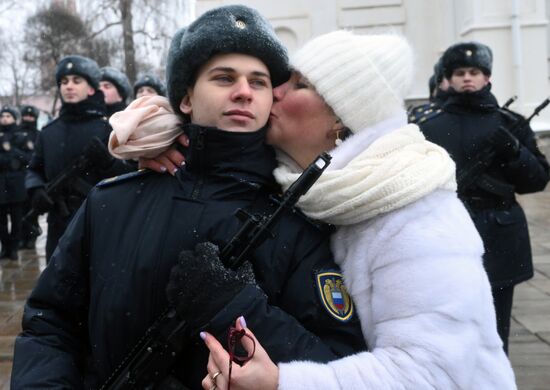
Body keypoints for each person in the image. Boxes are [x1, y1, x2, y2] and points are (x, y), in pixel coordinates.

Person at [11, 6, 365, 389]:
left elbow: (338, 365)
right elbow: (50, 322)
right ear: (185, 99)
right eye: (224, 77)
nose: (244, 92)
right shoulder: (109, 203)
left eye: (259, 82)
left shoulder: (300, 223)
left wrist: (240, 308)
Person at [175, 31, 515, 389]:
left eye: (299, 85)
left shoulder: (417, 217)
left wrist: (282, 383)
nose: (274, 91)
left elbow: (430, 375)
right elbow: (216, 144)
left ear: (340, 117)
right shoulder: (312, 184)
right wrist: (162, 138)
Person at [415, 42, 549, 353]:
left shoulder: (510, 123)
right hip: (447, 234)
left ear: (487, 78)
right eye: (459, 72)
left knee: (496, 325)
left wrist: (514, 152)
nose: (467, 78)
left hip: (499, 235)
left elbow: (537, 180)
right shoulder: (428, 125)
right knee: (450, 323)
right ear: (448, 77)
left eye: (474, 72)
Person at [25, 55, 131, 262]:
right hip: (58, 229)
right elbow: (34, 168)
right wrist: (36, 189)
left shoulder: (111, 129)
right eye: (64, 82)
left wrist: (109, 163)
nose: (69, 87)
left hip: (100, 226)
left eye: (76, 81)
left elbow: (133, 178)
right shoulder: (48, 132)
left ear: (92, 88)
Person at [0, 106, 33, 260]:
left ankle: (13, 248)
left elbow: (29, 158)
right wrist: (8, 160)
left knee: (16, 219)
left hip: (16, 184)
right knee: (1, 221)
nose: (4, 118)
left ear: (14, 118)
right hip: (1, 183)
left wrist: (11, 151)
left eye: (8, 116)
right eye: (2, 116)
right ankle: (5, 247)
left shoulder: (21, 136)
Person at [18, 105, 41, 249]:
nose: (28, 118)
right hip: (18, 177)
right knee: (19, 210)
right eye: (26, 116)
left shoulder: (39, 134)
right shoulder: (17, 133)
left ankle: (32, 235)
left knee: (33, 209)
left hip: (32, 177)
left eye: (31, 116)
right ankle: (21, 237)